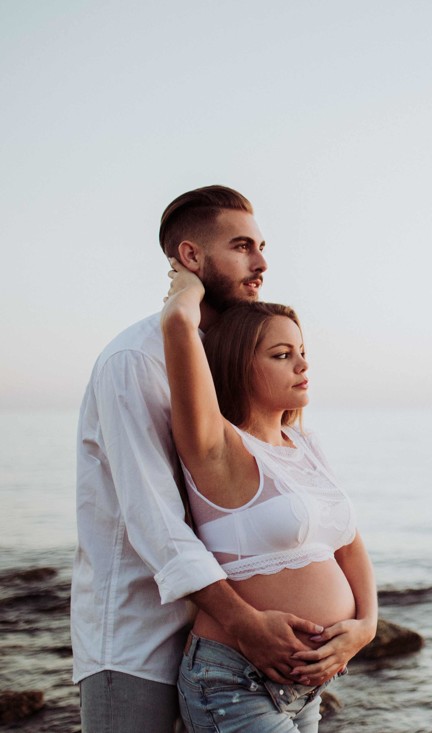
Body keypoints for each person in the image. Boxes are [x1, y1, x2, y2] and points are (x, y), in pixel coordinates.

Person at [72, 186, 330, 732]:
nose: (261, 263)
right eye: (241, 246)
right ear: (190, 258)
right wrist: (244, 624)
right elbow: (154, 518)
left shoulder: (231, 359)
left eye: (262, 246)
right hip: (141, 635)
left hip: (224, 641)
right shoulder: (134, 360)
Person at [162, 262, 377, 731]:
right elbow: (178, 326)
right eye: (282, 355)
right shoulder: (217, 448)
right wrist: (188, 287)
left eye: (302, 352)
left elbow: (349, 545)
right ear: (240, 364)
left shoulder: (304, 444)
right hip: (236, 682)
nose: (303, 365)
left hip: (308, 690)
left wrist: (366, 627)